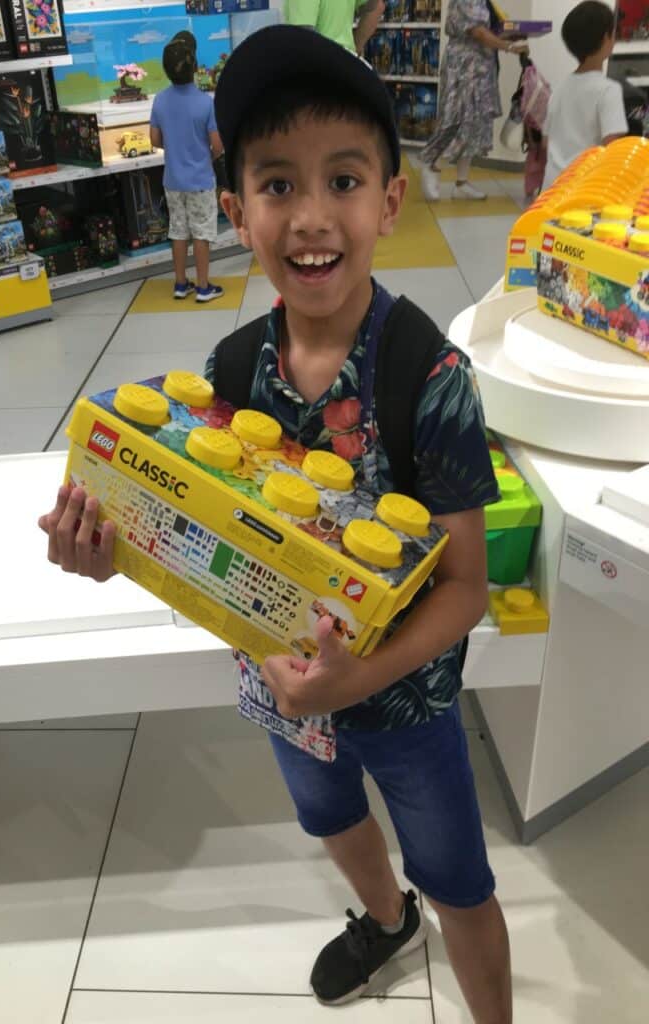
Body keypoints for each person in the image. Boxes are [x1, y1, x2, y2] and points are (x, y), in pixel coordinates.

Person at [40, 25, 512, 1023]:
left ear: (389, 201)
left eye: (343, 179)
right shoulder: (228, 369)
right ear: (232, 210)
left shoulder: (428, 379)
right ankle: (387, 920)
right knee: (329, 814)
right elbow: (202, 537)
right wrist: (112, 552)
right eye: (276, 184)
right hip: (280, 684)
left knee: (461, 879)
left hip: (406, 704)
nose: (310, 216)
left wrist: (357, 677)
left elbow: (466, 585)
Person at [420, 1, 528, 201]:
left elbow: (486, 31)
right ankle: (430, 161)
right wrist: (509, 46)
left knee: (474, 124)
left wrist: (511, 34)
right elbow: (477, 31)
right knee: (454, 119)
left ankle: (461, 183)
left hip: (481, 68)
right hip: (464, 67)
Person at [149, 33, 225, 302]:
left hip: (173, 180)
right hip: (201, 180)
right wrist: (206, 154)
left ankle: (181, 284)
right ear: (194, 67)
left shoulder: (160, 100)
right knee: (202, 233)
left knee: (178, 231)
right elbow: (218, 146)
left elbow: (155, 140)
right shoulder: (206, 103)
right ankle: (204, 287)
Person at [541, 1, 627, 192]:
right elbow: (614, 150)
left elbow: (546, 141)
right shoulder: (608, 90)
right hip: (584, 192)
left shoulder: (560, 87)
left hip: (551, 190)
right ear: (607, 38)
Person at [284, 0, 385, 55]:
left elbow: (303, 36)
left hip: (322, 66)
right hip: (345, 61)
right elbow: (374, 6)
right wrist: (356, 49)